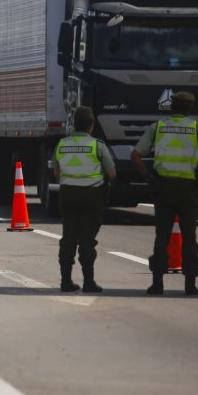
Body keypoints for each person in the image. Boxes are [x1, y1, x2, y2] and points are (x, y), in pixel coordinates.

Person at [130, 91, 198, 295]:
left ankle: (157, 283)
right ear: (190, 108)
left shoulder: (158, 127)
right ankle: (190, 285)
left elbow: (135, 155)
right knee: (189, 236)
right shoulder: (197, 128)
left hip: (163, 187)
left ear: (171, 106)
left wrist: (148, 177)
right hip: (187, 188)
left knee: (162, 236)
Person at [52, 106, 117, 293]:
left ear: (74, 125)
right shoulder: (98, 145)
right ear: (91, 126)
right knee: (87, 240)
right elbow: (112, 173)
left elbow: (56, 173)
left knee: (68, 238)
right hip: (91, 196)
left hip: (67, 195)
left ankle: (65, 282)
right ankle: (89, 282)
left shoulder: (62, 144)